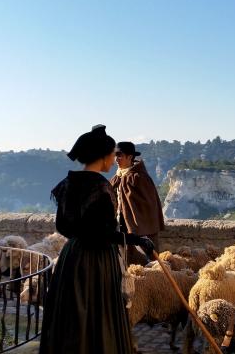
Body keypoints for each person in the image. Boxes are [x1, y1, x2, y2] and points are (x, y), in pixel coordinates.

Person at [40, 125, 154, 354]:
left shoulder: (67, 183)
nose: (113, 159)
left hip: (71, 257)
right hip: (97, 261)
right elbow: (104, 234)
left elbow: (61, 226)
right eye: (112, 154)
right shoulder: (101, 188)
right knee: (99, 312)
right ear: (101, 156)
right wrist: (136, 240)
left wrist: (80, 238)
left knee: (71, 313)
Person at [110, 141, 165, 265]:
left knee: (141, 268)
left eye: (119, 155)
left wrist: (137, 230)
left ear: (130, 157)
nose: (116, 159)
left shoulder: (139, 178)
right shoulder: (118, 177)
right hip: (119, 230)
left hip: (137, 230)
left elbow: (148, 207)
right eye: (115, 155)